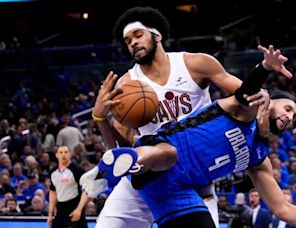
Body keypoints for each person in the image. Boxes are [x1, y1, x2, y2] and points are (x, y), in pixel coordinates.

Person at [82, 45, 296, 228]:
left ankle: (118, 163)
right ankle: (120, 164)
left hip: (178, 192)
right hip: (156, 157)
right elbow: (246, 91)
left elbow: (282, 208)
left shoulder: (259, 158)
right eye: (289, 108)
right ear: (270, 100)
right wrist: (265, 68)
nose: (291, 116)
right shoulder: (241, 110)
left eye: (295, 116)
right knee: (167, 155)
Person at [88, 6, 271, 228]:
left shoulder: (195, 64)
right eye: (128, 41)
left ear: (157, 35)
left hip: (192, 173)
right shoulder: (126, 85)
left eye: (138, 35)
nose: (133, 43)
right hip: (148, 172)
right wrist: (100, 118)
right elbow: (121, 149)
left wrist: (260, 91)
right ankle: (104, 175)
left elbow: (243, 95)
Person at [48, 146, 88, 228]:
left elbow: (86, 190)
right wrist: (50, 214)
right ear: (57, 155)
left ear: (70, 154)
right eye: (61, 152)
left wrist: (79, 209)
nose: (63, 154)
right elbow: (53, 192)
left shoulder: (77, 170)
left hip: (74, 206)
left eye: (66, 152)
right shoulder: (53, 172)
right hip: (60, 208)